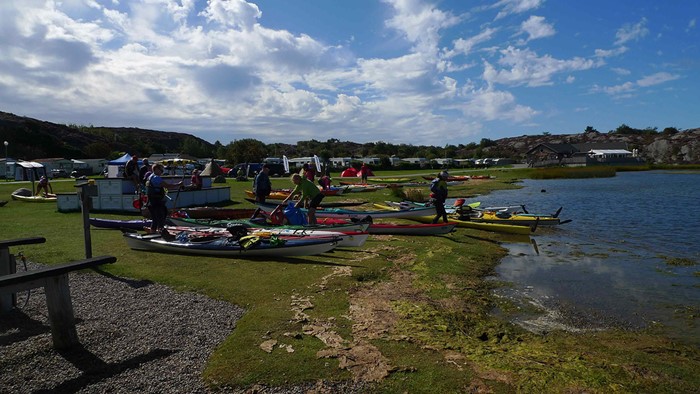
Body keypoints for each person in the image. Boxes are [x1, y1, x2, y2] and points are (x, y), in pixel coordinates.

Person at [145, 163, 183, 235]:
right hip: (156, 202)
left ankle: (153, 233)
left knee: (155, 219)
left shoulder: (150, 177)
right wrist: (178, 184)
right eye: (161, 170)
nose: (162, 172)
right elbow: (167, 186)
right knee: (160, 218)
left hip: (151, 201)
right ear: (156, 169)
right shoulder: (156, 178)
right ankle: (161, 233)